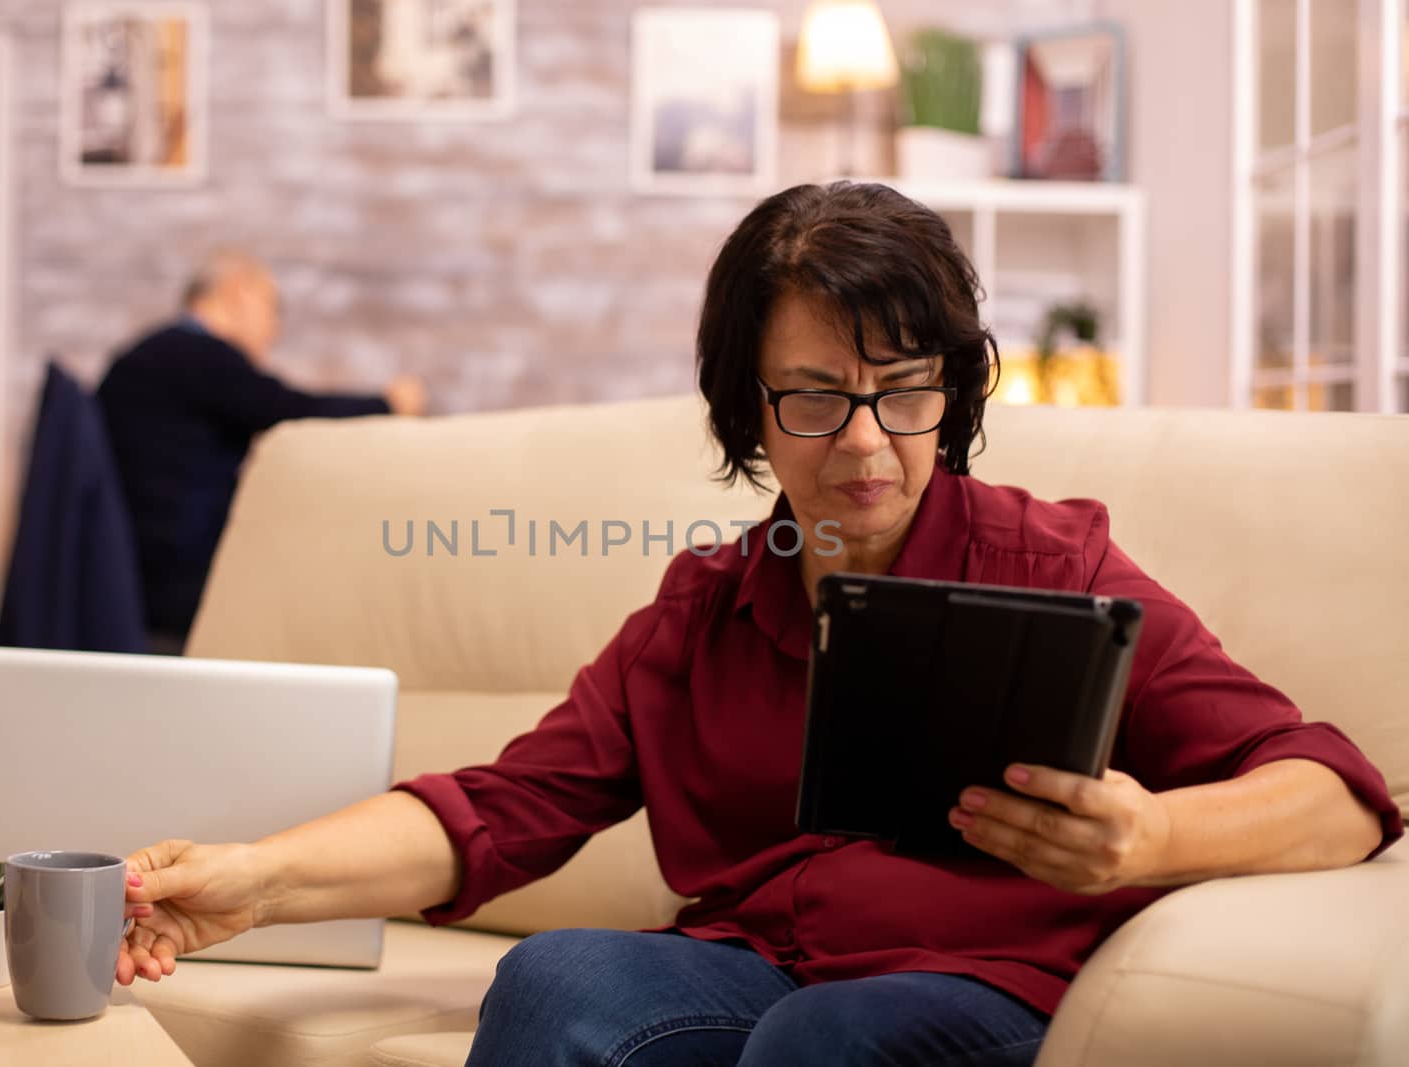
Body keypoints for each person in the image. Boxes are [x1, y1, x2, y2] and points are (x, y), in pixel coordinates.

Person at [109, 185, 1402, 1066]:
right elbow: (497, 807)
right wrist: (251, 880)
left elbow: (1338, 791)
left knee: (822, 1041)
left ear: (950, 394)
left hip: (976, 983)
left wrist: (1152, 832)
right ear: (747, 413)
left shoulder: (1050, 560)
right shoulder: (703, 613)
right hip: (744, 966)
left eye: (904, 394)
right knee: (556, 977)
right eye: (814, 398)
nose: (865, 445)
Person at [97, 249, 427, 652]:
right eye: (273, 308)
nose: (275, 328)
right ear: (238, 293)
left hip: (135, 571)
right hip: (175, 578)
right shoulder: (197, 355)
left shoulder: (150, 355)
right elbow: (288, 409)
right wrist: (388, 404)